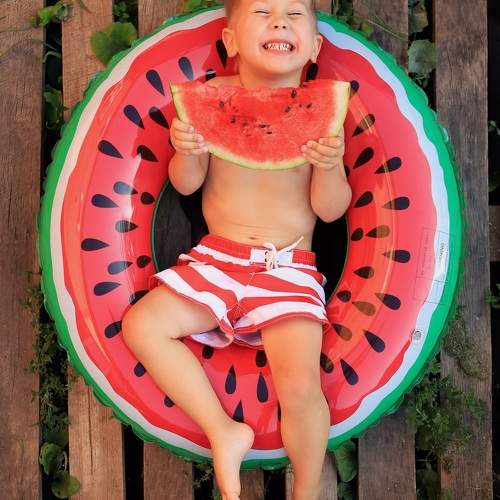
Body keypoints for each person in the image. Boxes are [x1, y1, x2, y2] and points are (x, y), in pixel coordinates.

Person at [122, 0, 351, 497]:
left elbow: (331, 211)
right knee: (142, 325)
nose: (280, 21)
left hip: (288, 266)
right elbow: (186, 185)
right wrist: (187, 152)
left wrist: (330, 165)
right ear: (230, 41)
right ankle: (223, 429)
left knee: (300, 386)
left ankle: (306, 490)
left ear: (314, 47)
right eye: (263, 11)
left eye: (294, 15)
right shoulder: (209, 99)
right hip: (216, 259)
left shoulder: (323, 113)